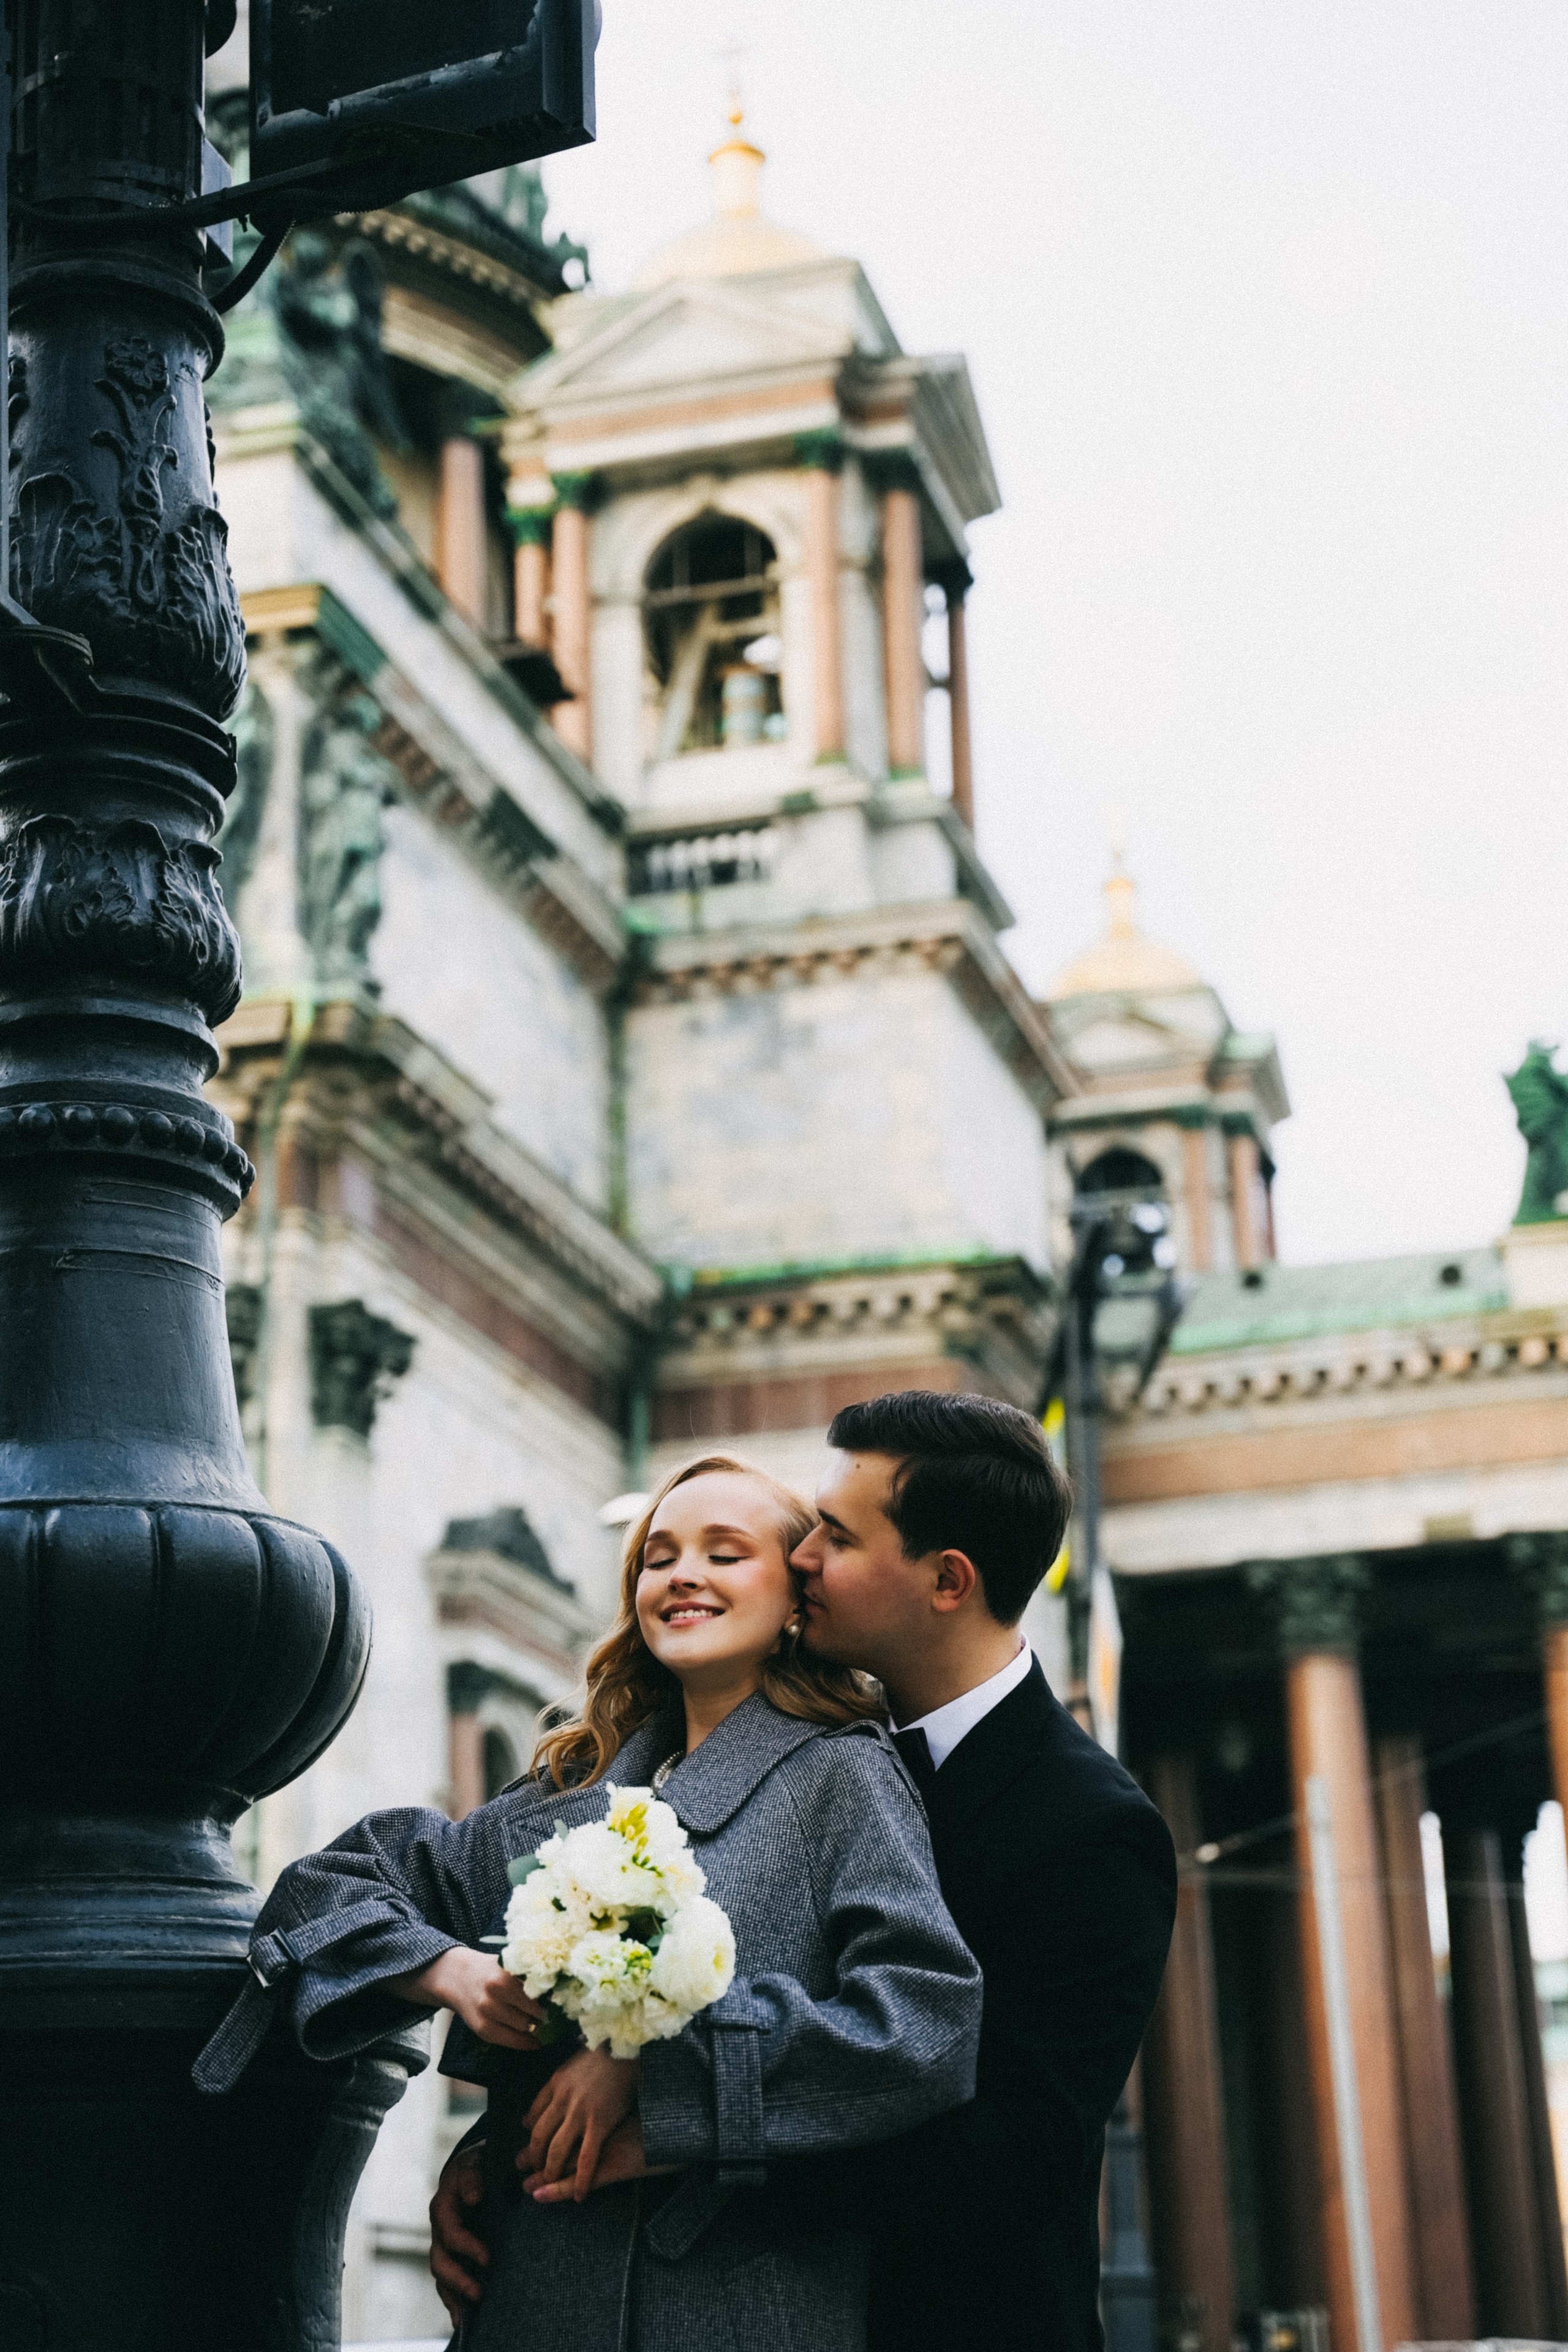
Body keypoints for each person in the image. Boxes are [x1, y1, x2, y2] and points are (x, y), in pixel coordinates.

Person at [431, 1389, 1176, 2351]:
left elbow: (1006, 2159)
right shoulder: (795, 1753)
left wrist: (659, 2103)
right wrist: (513, 2155)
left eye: (836, 1536)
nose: (803, 1557)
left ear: (947, 1580)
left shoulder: (1089, 1825)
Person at [194, 1452, 982, 2352]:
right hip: (530, 2295)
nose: (682, 1574)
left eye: (725, 1553)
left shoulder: (845, 1777)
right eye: (659, 1555)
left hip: (741, 2310)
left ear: (798, 1598)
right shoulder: (565, 1795)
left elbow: (925, 2023)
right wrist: (450, 1973)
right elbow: (324, 1890)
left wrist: (657, 2067)